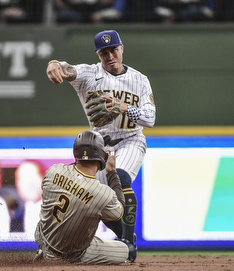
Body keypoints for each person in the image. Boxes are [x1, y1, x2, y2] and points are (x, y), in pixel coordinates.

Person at [46, 30, 156, 247]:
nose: (110, 56)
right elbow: (66, 69)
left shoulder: (140, 80)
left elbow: (150, 119)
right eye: (104, 53)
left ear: (121, 48)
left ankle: (127, 243)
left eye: (114, 50)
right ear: (98, 54)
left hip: (130, 140)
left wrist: (123, 107)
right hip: (100, 147)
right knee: (97, 201)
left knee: (121, 177)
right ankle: (125, 234)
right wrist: (53, 64)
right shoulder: (89, 74)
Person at [34, 130, 136, 264]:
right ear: (102, 157)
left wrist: (87, 152)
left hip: (42, 237)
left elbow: (72, 173)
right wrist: (112, 172)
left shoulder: (53, 171)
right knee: (126, 250)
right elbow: (119, 211)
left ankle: (46, 252)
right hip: (73, 253)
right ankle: (57, 257)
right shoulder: (102, 193)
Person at [15, 161, 43, 238]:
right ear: (17, 184)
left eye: (34, 177)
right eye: (24, 178)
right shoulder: (15, 214)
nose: (30, 183)